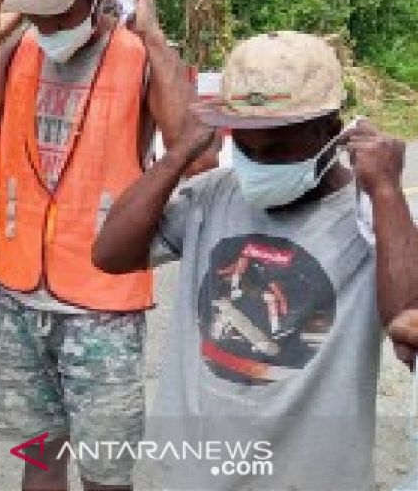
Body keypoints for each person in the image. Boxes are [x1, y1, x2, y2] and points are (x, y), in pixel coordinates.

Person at [93, 31, 418, 490]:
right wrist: (179, 156)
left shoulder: (373, 213)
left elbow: (409, 327)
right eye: (246, 148)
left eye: (278, 149)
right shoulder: (214, 195)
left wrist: (385, 189)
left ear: (332, 130)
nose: (258, 164)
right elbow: (110, 255)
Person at [0, 0, 193, 490]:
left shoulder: (139, 57)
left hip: (102, 304)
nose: (46, 25)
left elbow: (193, 156)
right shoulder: (16, 48)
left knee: (105, 470)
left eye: (59, 11)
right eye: (36, 11)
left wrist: (155, 38)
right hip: (17, 298)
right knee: (36, 458)